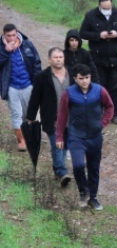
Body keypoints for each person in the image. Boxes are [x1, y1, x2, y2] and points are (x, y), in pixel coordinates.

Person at [56, 63, 114, 210]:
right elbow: (62, 116)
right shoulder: (68, 94)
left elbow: (109, 107)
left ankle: (93, 198)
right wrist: (59, 137)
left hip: (95, 136)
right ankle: (83, 191)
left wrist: (103, 123)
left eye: (87, 78)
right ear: (75, 78)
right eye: (81, 78)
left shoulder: (100, 91)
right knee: (78, 165)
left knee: (93, 168)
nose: (85, 81)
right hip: (76, 135)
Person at [25, 48, 74, 187]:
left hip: (71, 118)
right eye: (55, 57)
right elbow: (35, 98)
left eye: (60, 57)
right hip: (52, 118)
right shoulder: (42, 77)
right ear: (49, 60)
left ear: (64, 59)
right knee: (57, 144)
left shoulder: (73, 73)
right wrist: (31, 117)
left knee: (64, 145)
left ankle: (58, 169)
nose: (58, 59)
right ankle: (61, 171)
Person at [79, 0, 117, 125]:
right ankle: (99, 112)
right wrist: (99, 35)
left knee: (115, 86)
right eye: (104, 8)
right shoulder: (90, 15)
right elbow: (83, 33)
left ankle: (115, 114)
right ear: (99, 5)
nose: (107, 11)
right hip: (98, 58)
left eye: (109, 8)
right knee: (99, 86)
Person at [0, 24, 41, 152]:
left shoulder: (27, 44)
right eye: (8, 36)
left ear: (17, 33)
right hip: (11, 86)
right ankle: (21, 141)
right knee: (16, 114)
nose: (11, 38)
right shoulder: (1, 48)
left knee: (30, 114)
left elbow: (36, 63)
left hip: (28, 84)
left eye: (13, 35)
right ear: (4, 35)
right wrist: (6, 52)